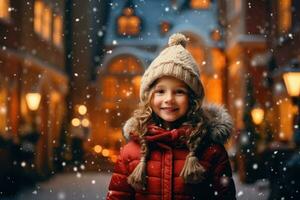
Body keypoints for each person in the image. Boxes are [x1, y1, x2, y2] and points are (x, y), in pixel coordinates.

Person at [106, 33, 236, 199]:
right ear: (149, 97)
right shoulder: (131, 152)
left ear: (192, 99)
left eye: (179, 92)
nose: (169, 99)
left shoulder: (211, 151)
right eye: (160, 91)